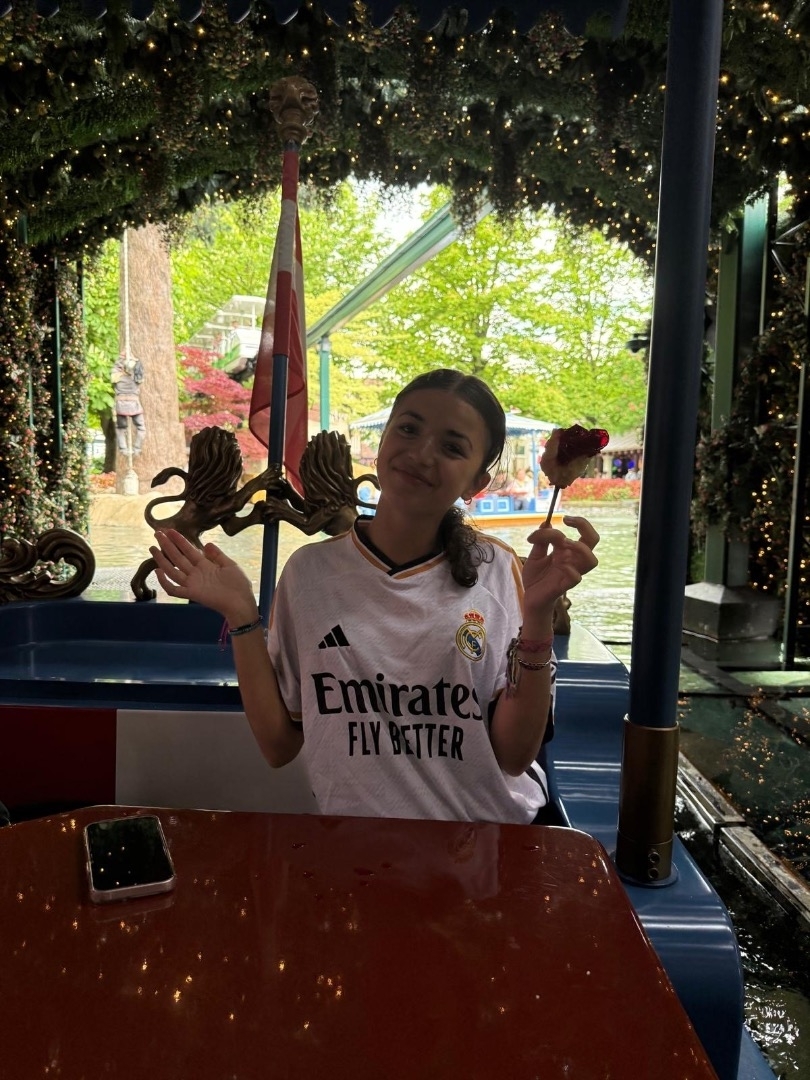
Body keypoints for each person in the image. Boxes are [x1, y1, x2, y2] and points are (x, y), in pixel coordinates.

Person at [150, 368, 599, 825]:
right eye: (408, 429)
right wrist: (242, 614)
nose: (421, 453)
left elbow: (514, 757)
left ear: (476, 482)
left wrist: (538, 617)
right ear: (382, 441)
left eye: (451, 447)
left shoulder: (500, 571)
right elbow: (278, 745)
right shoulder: (308, 574)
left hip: (486, 837)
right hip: (356, 844)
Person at [111, 354, 146, 456]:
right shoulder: (136, 377)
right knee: (141, 428)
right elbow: (140, 369)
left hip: (121, 406)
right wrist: (133, 358)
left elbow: (115, 368)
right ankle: (137, 448)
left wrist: (121, 358)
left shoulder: (117, 376)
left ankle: (123, 449)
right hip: (134, 405)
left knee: (121, 428)